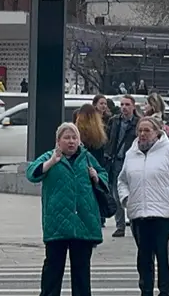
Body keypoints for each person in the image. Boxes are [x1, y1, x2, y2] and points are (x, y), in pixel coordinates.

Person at [27, 122, 106, 296]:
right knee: (52, 270)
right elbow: (31, 173)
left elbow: (103, 175)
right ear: (58, 141)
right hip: (57, 223)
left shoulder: (87, 158)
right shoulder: (50, 156)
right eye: (67, 138)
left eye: (74, 138)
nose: (71, 141)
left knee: (81, 273)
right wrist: (50, 163)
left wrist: (97, 177)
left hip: (83, 223)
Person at [118, 116, 169, 296]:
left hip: (164, 218)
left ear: (157, 133)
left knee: (165, 261)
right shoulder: (131, 153)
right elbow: (122, 181)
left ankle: (165, 292)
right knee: (143, 261)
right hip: (139, 217)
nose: (142, 134)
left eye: (147, 130)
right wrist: (127, 199)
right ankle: (146, 292)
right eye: (140, 131)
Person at [104, 95, 140, 237]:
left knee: (133, 193)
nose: (124, 107)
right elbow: (108, 139)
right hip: (115, 161)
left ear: (133, 107)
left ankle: (134, 222)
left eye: (127, 104)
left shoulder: (138, 123)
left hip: (131, 161)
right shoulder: (114, 121)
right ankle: (120, 226)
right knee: (116, 193)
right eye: (122, 105)